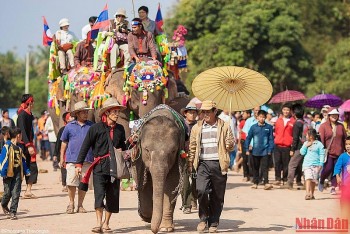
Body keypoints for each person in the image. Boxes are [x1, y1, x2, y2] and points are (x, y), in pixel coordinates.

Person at [76, 97, 127, 233]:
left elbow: (123, 147)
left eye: (117, 111)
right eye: (114, 111)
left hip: (114, 167)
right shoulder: (95, 128)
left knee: (112, 195)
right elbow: (85, 146)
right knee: (99, 195)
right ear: (106, 113)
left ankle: (106, 223)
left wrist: (129, 147)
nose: (117, 114)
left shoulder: (120, 129)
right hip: (99, 167)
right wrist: (79, 164)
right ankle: (98, 223)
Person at [188, 100, 234, 233]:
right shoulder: (197, 127)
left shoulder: (225, 126)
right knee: (201, 191)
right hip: (202, 164)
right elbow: (192, 146)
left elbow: (230, 146)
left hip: (219, 164)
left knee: (217, 196)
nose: (205, 114)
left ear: (215, 111)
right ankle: (203, 219)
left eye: (208, 111)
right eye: (203, 111)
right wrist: (190, 162)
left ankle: (213, 222)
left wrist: (230, 143)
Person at [60, 101, 94, 214]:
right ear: (77, 114)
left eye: (87, 112)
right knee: (71, 182)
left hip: (87, 159)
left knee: (83, 184)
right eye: (83, 112)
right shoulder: (69, 126)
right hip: (72, 159)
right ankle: (71, 203)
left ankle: (80, 205)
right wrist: (62, 158)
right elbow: (64, 142)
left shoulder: (92, 126)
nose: (86, 114)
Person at [0, 127, 31, 220]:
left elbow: (23, 161)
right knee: (7, 193)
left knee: (16, 193)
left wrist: (26, 171)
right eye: (21, 135)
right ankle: (4, 204)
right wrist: (3, 172)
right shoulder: (7, 147)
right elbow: (3, 160)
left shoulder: (19, 148)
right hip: (8, 174)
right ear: (18, 135)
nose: (21, 137)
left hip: (17, 174)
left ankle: (13, 212)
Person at [318, 108, 347, 195]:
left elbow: (344, 138)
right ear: (329, 116)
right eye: (333, 115)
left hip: (339, 152)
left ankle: (333, 187)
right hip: (329, 152)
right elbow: (321, 140)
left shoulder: (341, 126)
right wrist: (321, 152)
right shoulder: (323, 126)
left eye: (336, 115)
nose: (335, 116)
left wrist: (346, 148)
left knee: (336, 170)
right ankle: (322, 180)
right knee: (328, 168)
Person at [245, 110, 274, 190]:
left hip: (265, 151)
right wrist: (246, 148)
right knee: (255, 167)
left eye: (263, 117)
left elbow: (271, 139)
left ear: (265, 118)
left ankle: (266, 183)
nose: (262, 119)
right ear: (257, 117)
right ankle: (255, 182)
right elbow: (248, 138)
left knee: (265, 168)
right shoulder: (253, 127)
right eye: (260, 117)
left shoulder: (269, 127)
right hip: (255, 151)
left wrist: (270, 150)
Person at [16, 94, 37, 199]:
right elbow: (23, 131)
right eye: (32, 102)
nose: (33, 104)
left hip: (29, 144)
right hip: (22, 145)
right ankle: (16, 191)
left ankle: (28, 190)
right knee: (21, 168)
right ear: (29, 102)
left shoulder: (29, 115)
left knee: (32, 167)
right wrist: (28, 145)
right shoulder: (22, 115)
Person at [180, 102, 199, 214]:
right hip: (184, 156)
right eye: (190, 112)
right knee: (185, 182)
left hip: (197, 157)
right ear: (185, 114)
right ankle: (186, 205)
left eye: (194, 112)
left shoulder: (199, 126)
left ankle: (193, 198)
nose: (192, 114)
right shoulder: (181, 126)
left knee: (197, 181)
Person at [273, 103, 295, 186]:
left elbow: (293, 134)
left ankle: (285, 179)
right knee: (277, 162)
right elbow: (276, 132)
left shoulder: (292, 121)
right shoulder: (278, 120)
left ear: (290, 111)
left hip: (287, 146)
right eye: (284, 109)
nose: (286, 111)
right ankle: (277, 178)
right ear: (282, 110)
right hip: (278, 145)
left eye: (288, 110)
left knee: (286, 164)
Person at [300, 129, 325, 200]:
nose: (306, 136)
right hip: (307, 165)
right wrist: (306, 146)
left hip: (316, 165)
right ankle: (307, 193)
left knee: (313, 180)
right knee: (308, 178)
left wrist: (321, 163)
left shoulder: (319, 144)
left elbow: (322, 154)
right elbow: (302, 152)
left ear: (311, 136)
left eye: (307, 135)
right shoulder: (306, 143)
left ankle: (312, 194)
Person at [286, 104, 306, 189]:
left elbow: (295, 138)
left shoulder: (297, 124)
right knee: (304, 166)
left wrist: (292, 149)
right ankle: (307, 183)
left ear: (294, 113)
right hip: (306, 146)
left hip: (299, 148)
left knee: (292, 165)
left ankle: (289, 183)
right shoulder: (304, 122)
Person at [53, 112, 73, 192]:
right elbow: (58, 142)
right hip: (64, 152)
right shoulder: (62, 130)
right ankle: (64, 184)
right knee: (64, 168)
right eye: (70, 117)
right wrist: (55, 154)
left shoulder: (76, 128)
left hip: (73, 151)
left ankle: (71, 184)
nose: (72, 118)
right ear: (66, 119)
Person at [333, 136, 350, 216]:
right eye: (346, 144)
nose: (348, 146)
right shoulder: (343, 156)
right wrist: (337, 176)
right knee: (344, 200)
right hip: (345, 184)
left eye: (349, 144)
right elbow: (337, 167)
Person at [238, 110, 252, 182]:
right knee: (244, 159)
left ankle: (251, 174)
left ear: (249, 114)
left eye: (244, 113)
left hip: (251, 142)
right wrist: (239, 143)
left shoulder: (252, 121)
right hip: (243, 142)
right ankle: (245, 175)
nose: (243, 115)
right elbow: (240, 133)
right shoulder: (242, 122)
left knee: (251, 159)